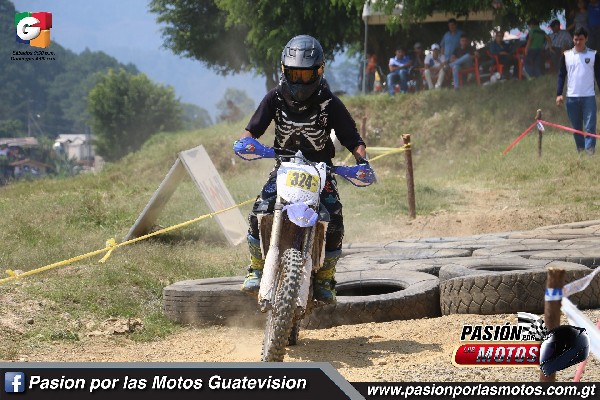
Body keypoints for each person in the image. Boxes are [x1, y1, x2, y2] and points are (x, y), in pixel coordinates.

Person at [238, 35, 368, 303]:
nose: (299, 81)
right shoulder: (274, 98)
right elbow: (252, 130)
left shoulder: (330, 102)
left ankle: (325, 277)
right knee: (258, 210)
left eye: (306, 74)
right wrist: (245, 143)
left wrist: (362, 161)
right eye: (294, 73)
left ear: (319, 71)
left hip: (321, 171)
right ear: (283, 70)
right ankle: (256, 268)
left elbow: (353, 139)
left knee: (334, 217)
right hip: (284, 167)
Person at [556, 27, 600, 155]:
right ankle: (580, 151)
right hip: (572, 98)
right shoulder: (566, 55)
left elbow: (598, 76)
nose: (578, 42)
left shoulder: (593, 55)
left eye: (580, 39)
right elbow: (561, 75)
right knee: (576, 128)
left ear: (586, 39)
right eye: (575, 39)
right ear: (573, 39)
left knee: (590, 127)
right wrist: (559, 94)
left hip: (589, 97)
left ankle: (590, 152)